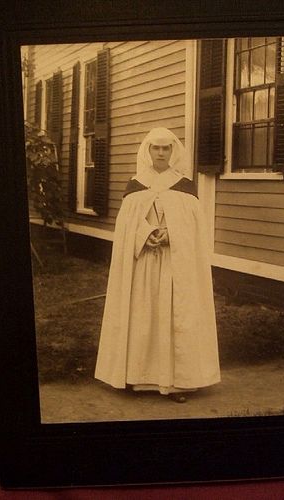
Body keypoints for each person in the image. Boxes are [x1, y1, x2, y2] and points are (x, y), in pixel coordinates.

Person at [94, 127, 220, 403]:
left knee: (174, 315)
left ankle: (177, 384)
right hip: (144, 264)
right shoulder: (136, 183)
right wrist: (145, 234)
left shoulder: (184, 185)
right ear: (148, 150)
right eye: (156, 148)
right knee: (143, 315)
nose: (161, 153)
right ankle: (138, 378)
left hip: (177, 266)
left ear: (173, 151)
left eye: (166, 148)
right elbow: (127, 226)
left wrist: (171, 233)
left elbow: (194, 229)